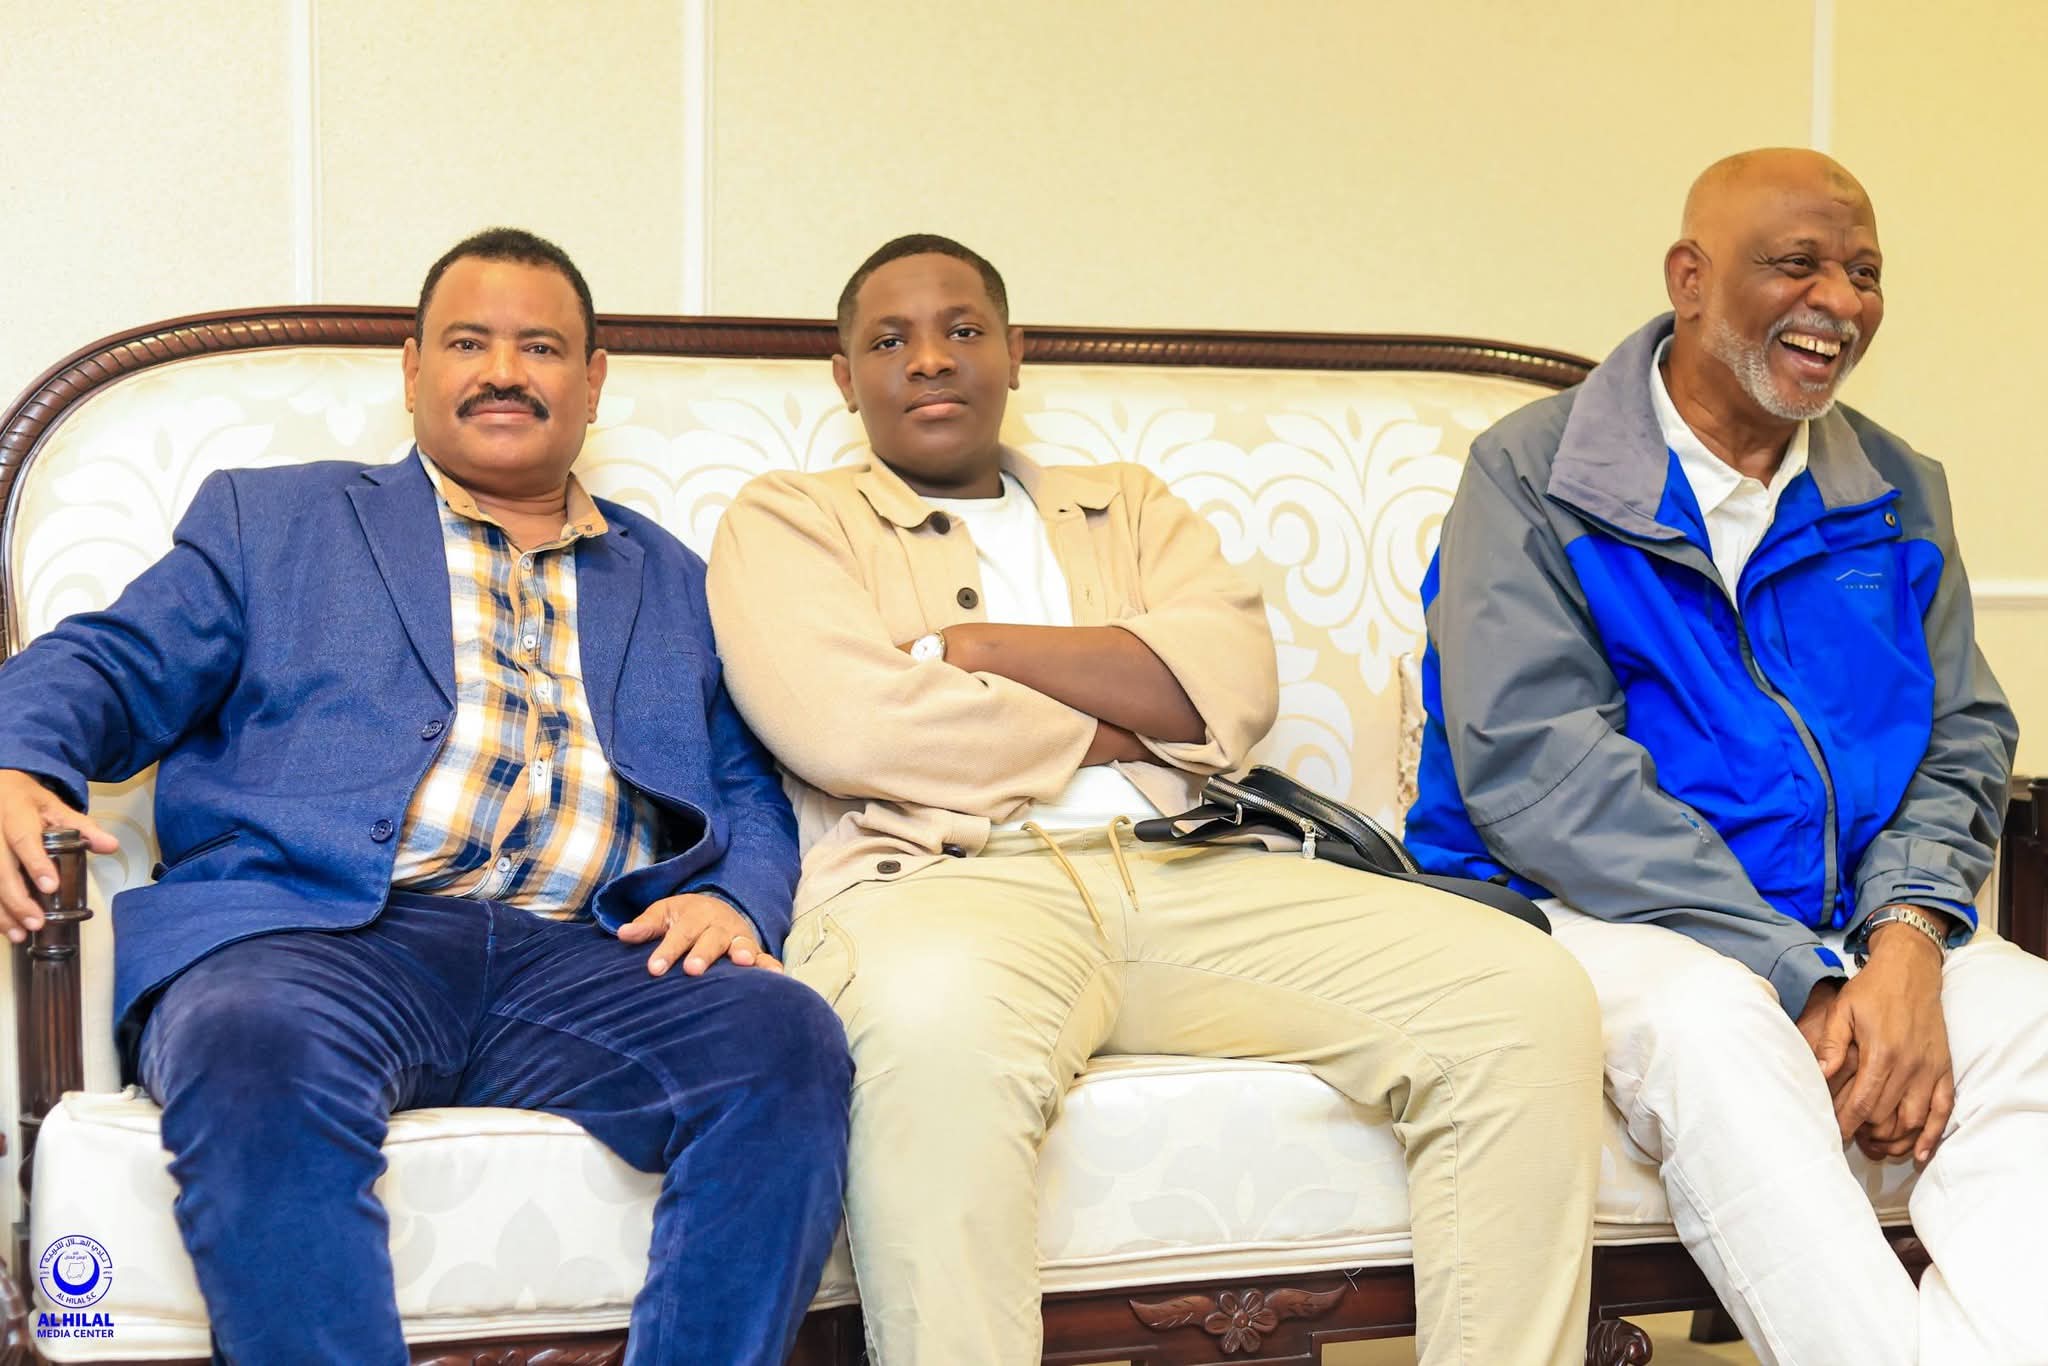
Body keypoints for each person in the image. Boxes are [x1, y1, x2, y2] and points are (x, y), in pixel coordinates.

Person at [704, 233, 1605, 1366]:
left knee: (1520, 993)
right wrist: (1125, 716)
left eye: (963, 329)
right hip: (940, 890)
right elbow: (849, 729)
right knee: (933, 1041)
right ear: (845, 377)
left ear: (1015, 353)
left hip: (1194, 865)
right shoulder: (787, 519)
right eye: (889, 340)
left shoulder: (1127, 505)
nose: (929, 358)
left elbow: (1233, 687)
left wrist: (975, 651)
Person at [0, 227, 851, 1365]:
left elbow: (746, 778)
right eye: (466, 342)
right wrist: (15, 759)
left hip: (578, 956)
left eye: (540, 347)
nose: (503, 371)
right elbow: (108, 664)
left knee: (783, 1041)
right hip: (313, 940)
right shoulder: (274, 521)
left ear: (592, 381)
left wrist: (735, 897)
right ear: (412, 371)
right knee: (249, 1044)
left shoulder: (675, 579)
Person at [1406, 148, 2048, 1364]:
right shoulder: (1531, 475)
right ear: (1689, 279)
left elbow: (1959, 733)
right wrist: (1798, 973)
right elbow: (1538, 769)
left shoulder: (1896, 488)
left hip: (1848, 914)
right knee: (1713, 1030)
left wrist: (1905, 939)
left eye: (1863, 273)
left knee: (2032, 1019)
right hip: (1577, 912)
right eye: (1796, 263)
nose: (1839, 302)